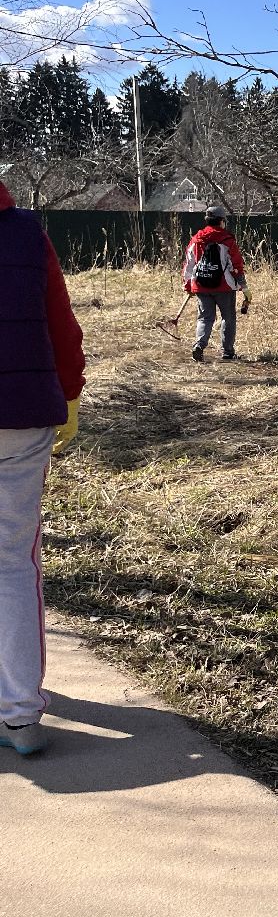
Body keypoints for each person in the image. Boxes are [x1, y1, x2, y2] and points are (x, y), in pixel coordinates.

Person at [0, 178, 85, 756]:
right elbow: (61, 325)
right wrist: (70, 395)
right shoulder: (29, 234)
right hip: (22, 415)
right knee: (12, 561)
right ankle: (20, 715)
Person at [182, 205, 250, 362]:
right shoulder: (227, 240)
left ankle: (199, 346)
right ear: (221, 221)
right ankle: (228, 352)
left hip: (201, 285)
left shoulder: (196, 239)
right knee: (228, 318)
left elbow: (189, 264)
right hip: (224, 287)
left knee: (205, 318)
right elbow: (236, 265)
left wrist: (188, 285)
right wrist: (244, 287)